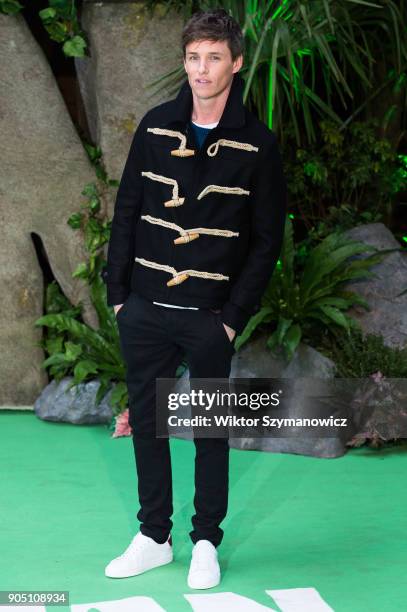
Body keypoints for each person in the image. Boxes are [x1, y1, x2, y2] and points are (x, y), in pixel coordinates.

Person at [102, 8, 287, 590]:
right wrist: (118, 299)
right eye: (192, 57)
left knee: (211, 430)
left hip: (210, 316)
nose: (201, 69)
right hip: (146, 309)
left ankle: (205, 539)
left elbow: (265, 241)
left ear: (235, 63)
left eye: (212, 57)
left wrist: (232, 320)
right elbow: (127, 210)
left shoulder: (258, 144)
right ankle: (153, 536)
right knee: (150, 427)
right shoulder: (157, 127)